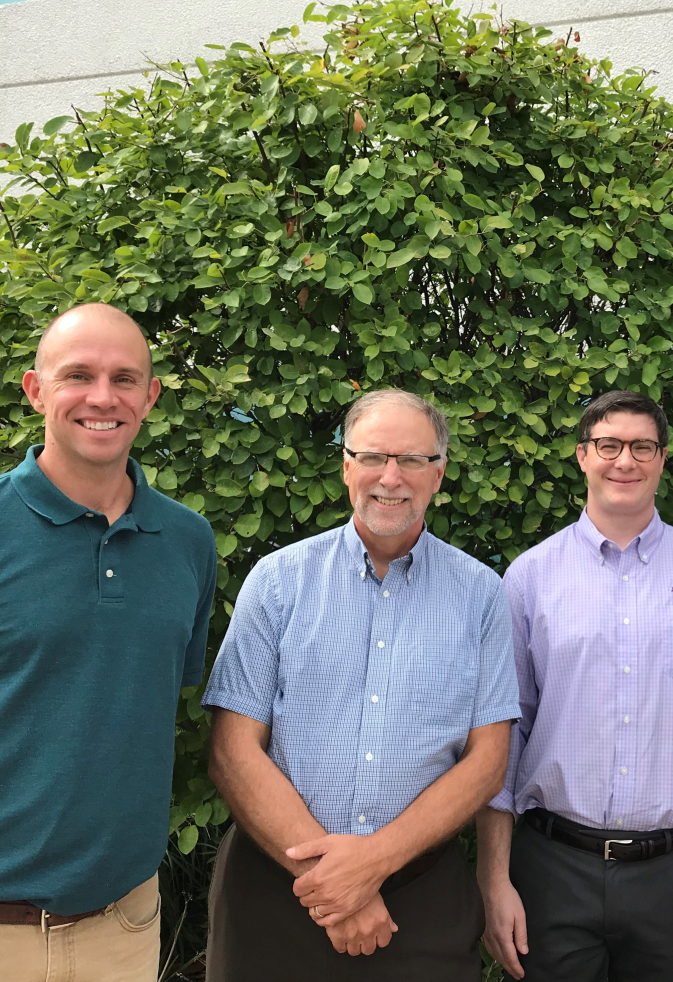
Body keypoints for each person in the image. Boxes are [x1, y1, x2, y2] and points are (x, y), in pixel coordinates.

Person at [0, 302, 217, 981]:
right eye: (78, 375)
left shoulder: (187, 543)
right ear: (36, 390)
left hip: (117, 930)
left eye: (125, 378)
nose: (103, 397)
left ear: (151, 397)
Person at [202, 388, 520, 982]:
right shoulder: (277, 581)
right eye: (373, 457)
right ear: (346, 465)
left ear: (439, 473)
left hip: (420, 905)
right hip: (273, 897)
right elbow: (231, 749)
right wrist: (333, 884)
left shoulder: (481, 595)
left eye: (413, 461)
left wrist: (371, 864)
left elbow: (488, 761)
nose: (390, 478)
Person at [476, 389, 673, 982]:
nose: (624, 461)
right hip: (554, 869)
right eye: (609, 445)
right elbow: (501, 743)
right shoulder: (529, 577)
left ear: (663, 458)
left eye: (642, 446)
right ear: (582, 455)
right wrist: (494, 880)